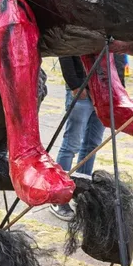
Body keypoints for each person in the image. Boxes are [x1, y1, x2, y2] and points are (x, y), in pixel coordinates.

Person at [51, 53, 127, 221]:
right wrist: (75, 85)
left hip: (104, 93)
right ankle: (58, 198)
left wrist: (119, 89)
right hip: (82, 90)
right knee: (71, 144)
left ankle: (82, 194)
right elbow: (66, 52)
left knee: (92, 144)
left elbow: (118, 56)